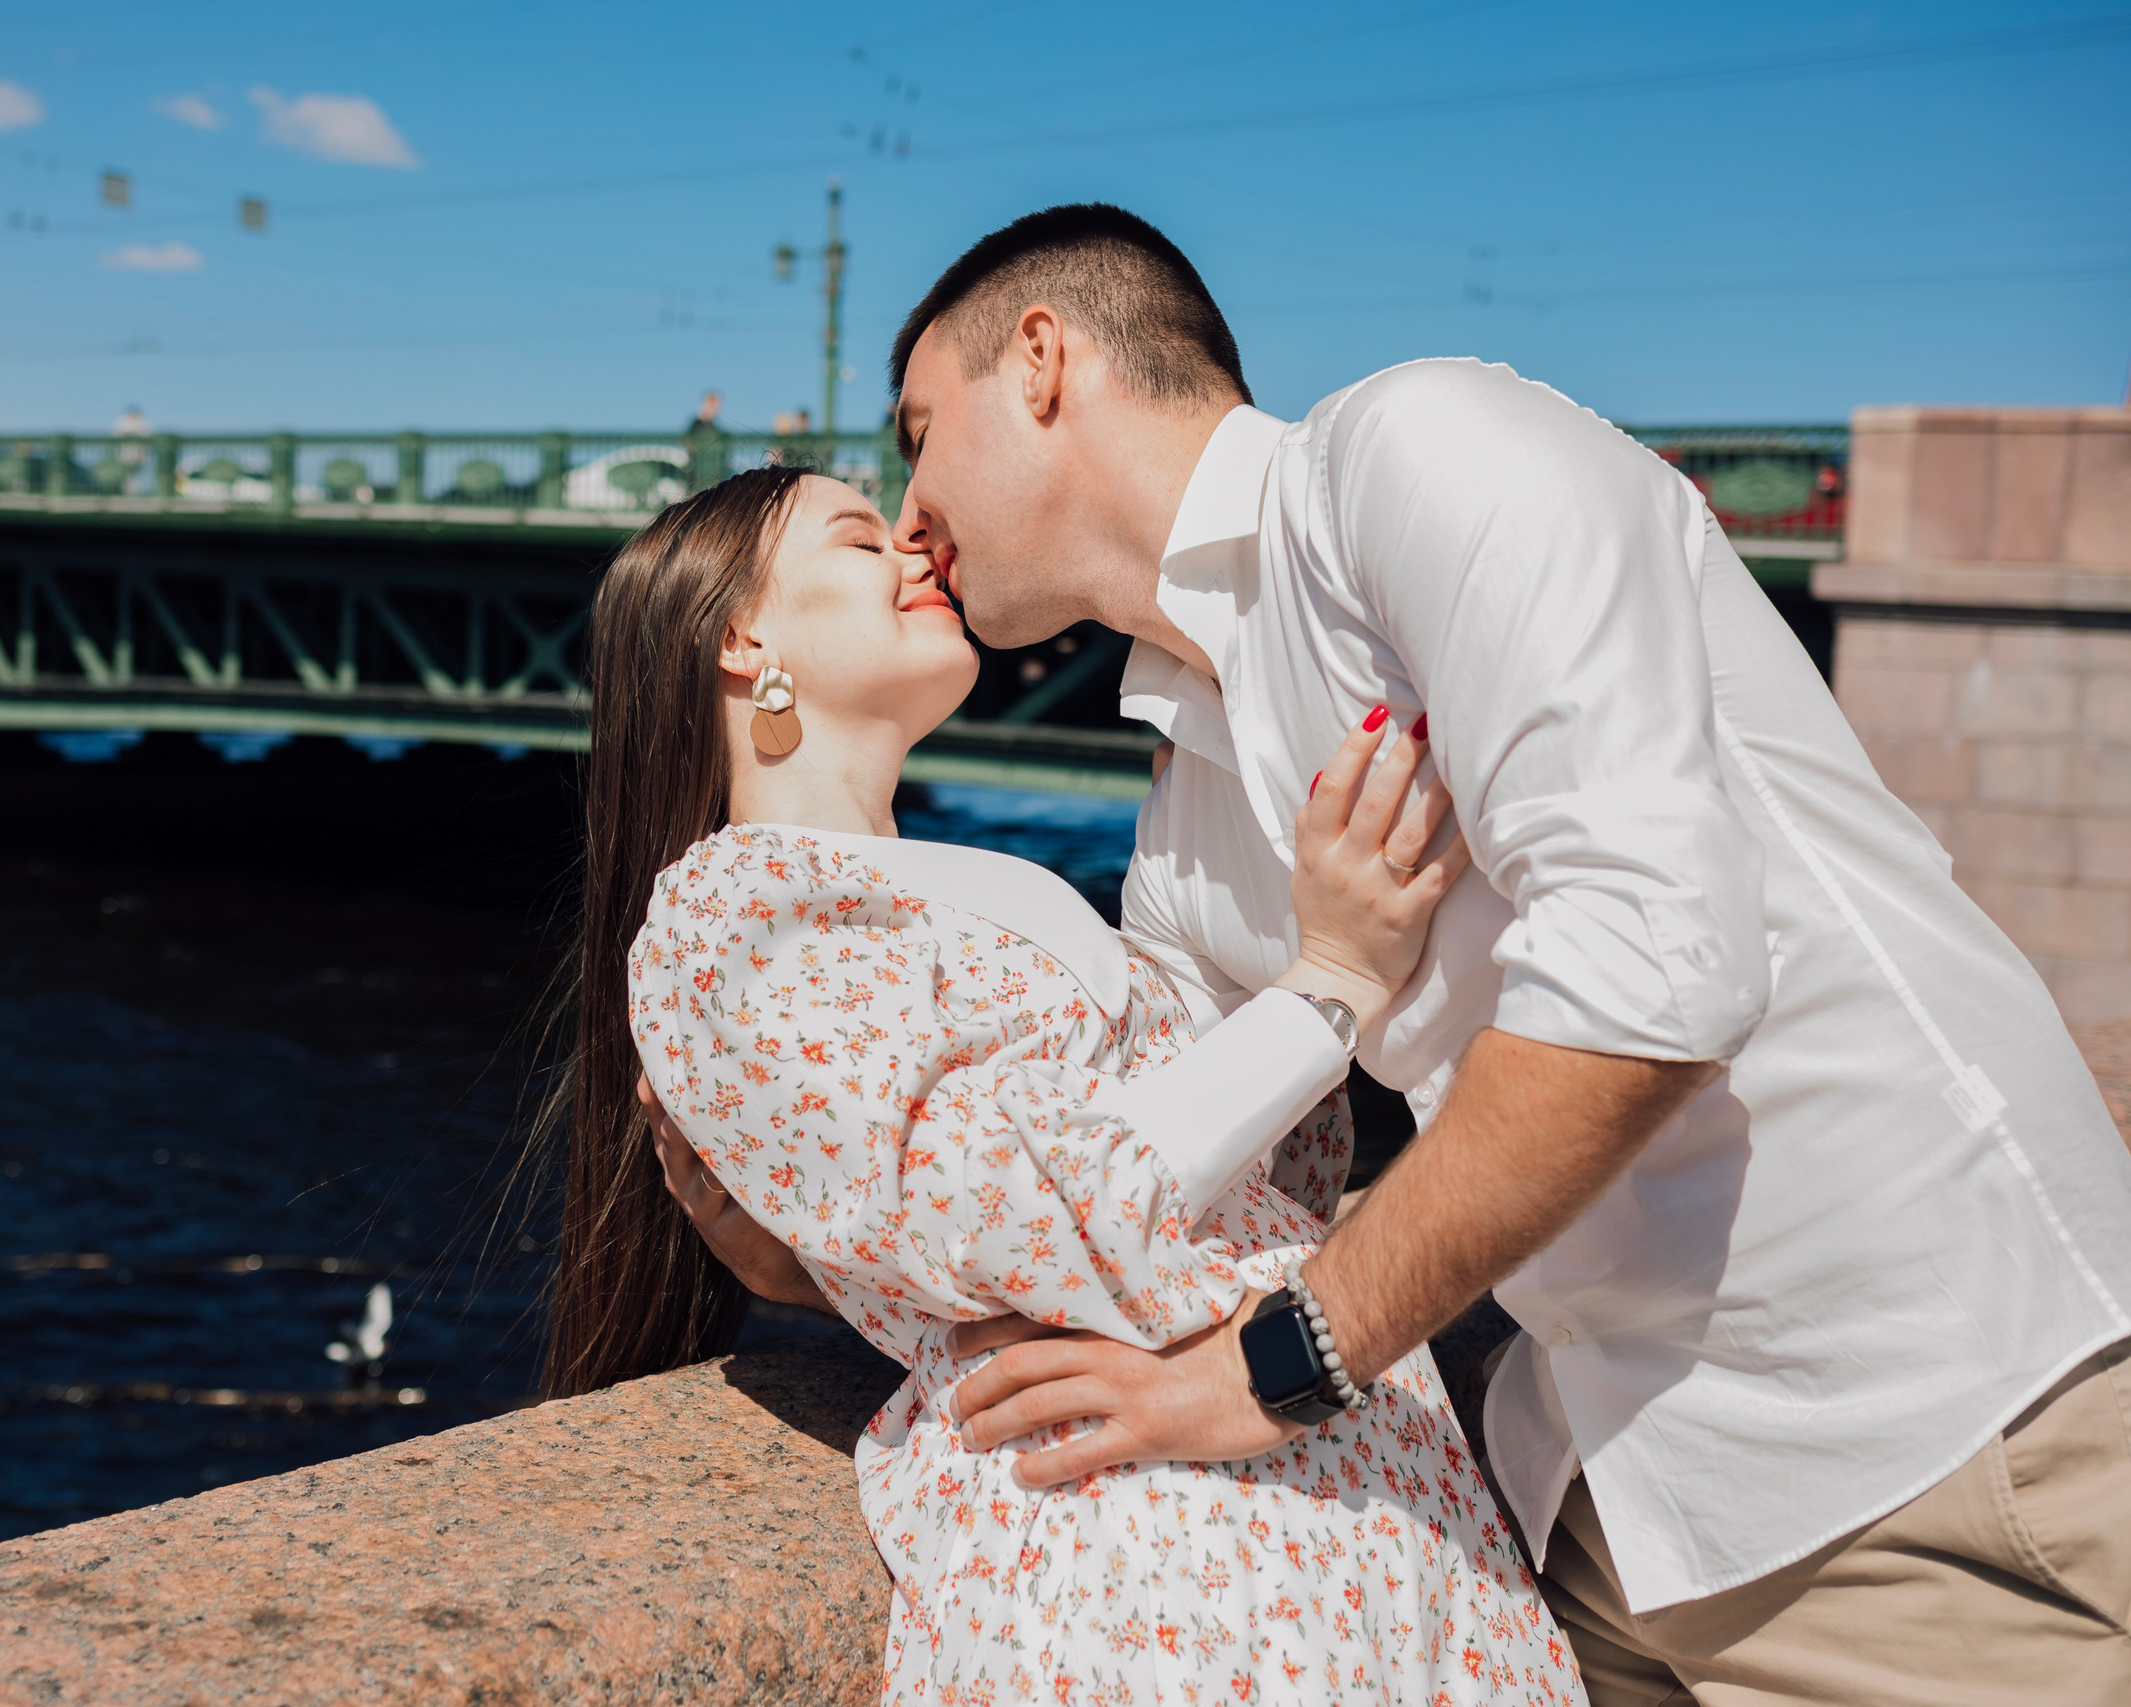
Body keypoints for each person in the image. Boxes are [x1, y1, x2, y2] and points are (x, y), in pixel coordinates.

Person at [670, 204, 2131, 1706]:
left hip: (1924, 1440)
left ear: (1040, 363)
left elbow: (1654, 973)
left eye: (920, 435)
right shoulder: (1187, 786)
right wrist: (833, 1230)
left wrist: (1281, 1363)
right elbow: (1182, 1170)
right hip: (1599, 1506)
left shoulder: (1420, 457)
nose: (913, 516)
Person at [549, 464, 1583, 1705]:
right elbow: (1015, 1208)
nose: (915, 545)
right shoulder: (730, 913)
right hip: (1151, 1548)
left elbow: (1256, 1178)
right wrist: (1329, 983)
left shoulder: (987, 889)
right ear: (740, 637)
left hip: (1358, 1495)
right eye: (860, 538)